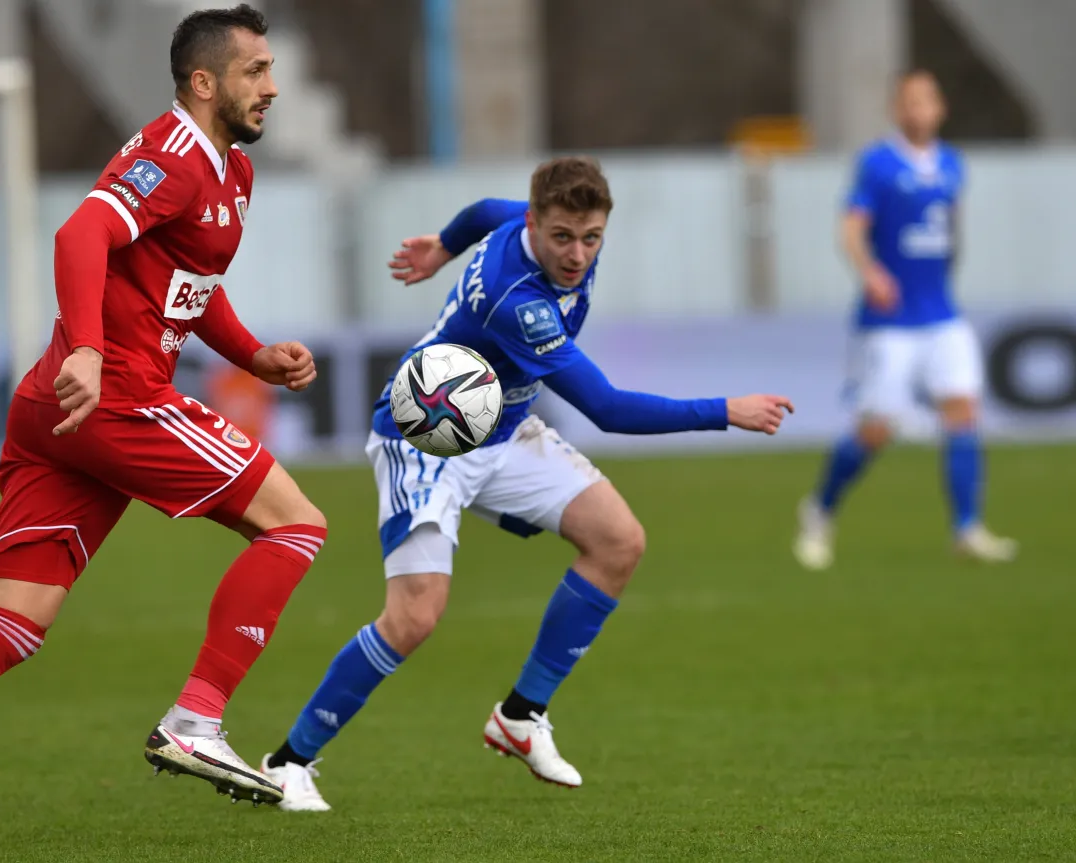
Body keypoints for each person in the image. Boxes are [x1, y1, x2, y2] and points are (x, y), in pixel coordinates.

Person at [0, 5, 326, 855]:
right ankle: (197, 717)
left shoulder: (231, 174)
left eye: (271, 69)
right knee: (298, 523)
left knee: (15, 618)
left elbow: (188, 283)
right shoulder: (173, 156)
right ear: (204, 82)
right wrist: (87, 347)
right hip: (110, 397)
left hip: (55, 410)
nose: (273, 86)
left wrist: (254, 354)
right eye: (255, 72)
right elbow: (82, 230)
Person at [258, 157, 794, 811]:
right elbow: (609, 409)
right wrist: (724, 410)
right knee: (415, 615)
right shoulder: (520, 302)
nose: (577, 254)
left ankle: (520, 715)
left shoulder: (529, 220)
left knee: (618, 540)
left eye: (591, 237)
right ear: (537, 224)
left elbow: (487, 207)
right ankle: (288, 761)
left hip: (504, 429)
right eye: (564, 237)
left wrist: (440, 248)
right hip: (430, 438)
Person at [793, 69, 1016, 571]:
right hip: (889, 321)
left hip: (942, 314)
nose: (918, 110)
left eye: (926, 101)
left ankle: (967, 528)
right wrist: (870, 272)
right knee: (878, 430)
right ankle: (820, 509)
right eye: (909, 102)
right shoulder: (878, 163)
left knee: (963, 413)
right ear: (898, 110)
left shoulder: (954, 165)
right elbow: (850, 229)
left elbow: (952, 231)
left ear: (940, 109)